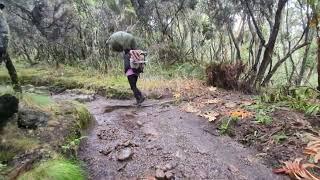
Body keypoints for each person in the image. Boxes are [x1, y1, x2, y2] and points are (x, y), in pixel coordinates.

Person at [108, 31, 145, 105]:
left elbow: (127, 66)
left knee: (133, 87)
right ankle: (138, 100)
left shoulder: (126, 55)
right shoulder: (134, 53)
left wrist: (125, 71)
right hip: (136, 72)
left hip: (130, 72)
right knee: (133, 86)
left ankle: (141, 97)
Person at [0, 3, 21, 92]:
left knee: (11, 68)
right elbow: (5, 34)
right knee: (11, 68)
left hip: (1, 47)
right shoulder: (1, 17)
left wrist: (2, 47)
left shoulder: (1, 17)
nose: (1, 10)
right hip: (2, 47)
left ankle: (18, 90)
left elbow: (4, 34)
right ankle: (18, 90)